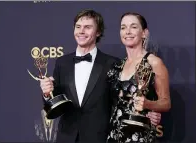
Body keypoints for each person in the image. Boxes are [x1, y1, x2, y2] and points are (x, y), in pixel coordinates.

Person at [40, 9, 162, 143]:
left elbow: (124, 98)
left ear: (98, 32)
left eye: (87, 27)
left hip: (99, 136)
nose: (81, 31)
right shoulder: (62, 63)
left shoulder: (113, 64)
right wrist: (47, 93)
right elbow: (56, 101)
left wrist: (149, 111)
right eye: (78, 27)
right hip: (67, 136)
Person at [106, 12, 171, 143]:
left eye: (133, 27)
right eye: (123, 27)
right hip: (114, 135)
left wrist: (148, 104)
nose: (127, 31)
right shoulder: (117, 66)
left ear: (144, 33)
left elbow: (166, 103)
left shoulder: (154, 63)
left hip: (140, 136)